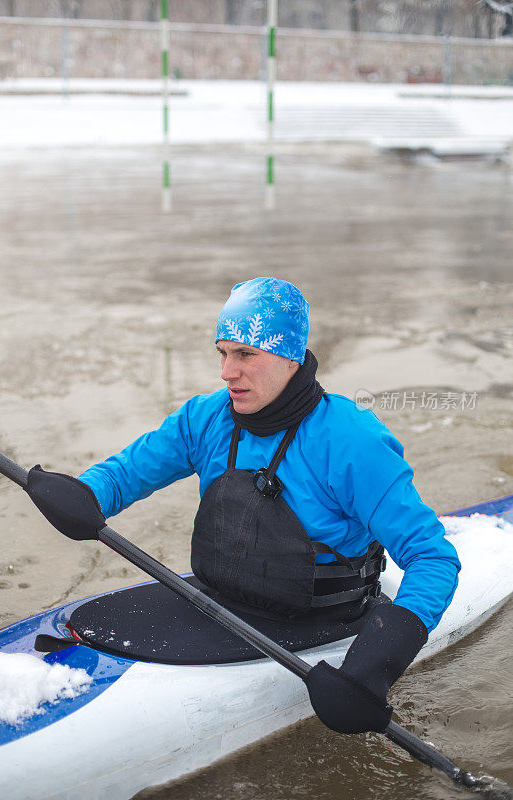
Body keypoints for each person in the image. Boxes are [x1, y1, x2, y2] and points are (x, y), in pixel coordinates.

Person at [26, 277, 461, 736]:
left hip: (320, 621)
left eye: (246, 354)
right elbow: (123, 474)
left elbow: (432, 558)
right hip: (221, 600)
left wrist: (372, 669)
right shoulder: (206, 417)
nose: (227, 372)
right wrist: (82, 495)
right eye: (223, 353)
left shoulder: (352, 441)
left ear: (290, 357)